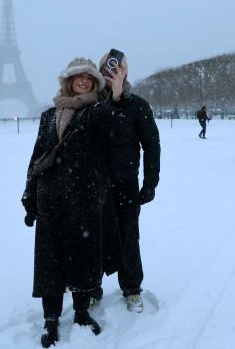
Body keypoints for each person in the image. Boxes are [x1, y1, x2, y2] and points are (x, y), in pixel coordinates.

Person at [20, 57, 125, 347]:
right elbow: (38, 158)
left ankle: (80, 312)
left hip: (84, 197)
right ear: (69, 80)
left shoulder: (94, 113)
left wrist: (115, 95)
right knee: (49, 261)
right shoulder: (48, 116)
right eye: (79, 76)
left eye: (89, 78)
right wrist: (29, 196)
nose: (84, 81)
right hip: (51, 198)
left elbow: (109, 119)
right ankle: (50, 319)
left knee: (83, 257)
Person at [92, 51, 161, 313]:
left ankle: (131, 287)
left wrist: (150, 182)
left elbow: (151, 146)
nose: (112, 72)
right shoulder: (91, 105)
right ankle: (92, 287)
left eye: (118, 67)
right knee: (95, 237)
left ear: (126, 71)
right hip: (95, 184)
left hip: (126, 183)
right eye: (107, 68)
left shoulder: (138, 106)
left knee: (128, 236)